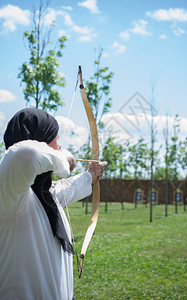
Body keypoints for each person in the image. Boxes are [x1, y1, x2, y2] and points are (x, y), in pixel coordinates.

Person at [0, 108, 104, 300]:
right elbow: (25, 155)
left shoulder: (42, 195)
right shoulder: (9, 194)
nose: (59, 146)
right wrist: (62, 158)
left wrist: (90, 176)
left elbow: (64, 190)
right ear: (41, 141)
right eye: (56, 139)